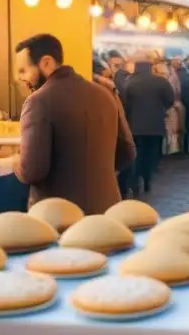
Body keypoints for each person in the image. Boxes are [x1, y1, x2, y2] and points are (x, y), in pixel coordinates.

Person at [14, 34, 135, 213]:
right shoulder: (104, 94)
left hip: (58, 215)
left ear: (46, 63)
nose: (19, 78)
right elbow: (127, 151)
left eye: (23, 70)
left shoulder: (38, 102)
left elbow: (32, 171)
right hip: (107, 210)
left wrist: (15, 160)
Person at [123, 52, 175, 194]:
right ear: (150, 67)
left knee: (136, 154)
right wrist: (161, 108)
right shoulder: (160, 81)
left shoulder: (129, 82)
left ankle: (134, 182)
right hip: (155, 125)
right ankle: (147, 180)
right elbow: (170, 99)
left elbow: (124, 104)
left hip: (135, 126)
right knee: (151, 154)